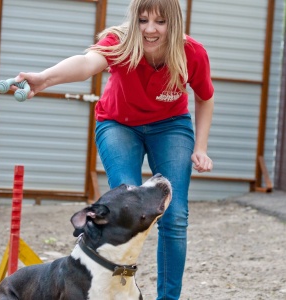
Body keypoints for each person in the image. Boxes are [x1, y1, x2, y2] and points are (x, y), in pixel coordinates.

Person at [12, 0, 214, 298]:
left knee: (175, 215)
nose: (150, 29)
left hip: (171, 125)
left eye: (160, 21)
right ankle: (104, 288)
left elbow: (205, 97)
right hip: (119, 124)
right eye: (143, 20)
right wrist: (44, 79)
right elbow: (85, 64)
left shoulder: (191, 53)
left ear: (174, 22)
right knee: (126, 204)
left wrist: (201, 147)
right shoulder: (120, 42)